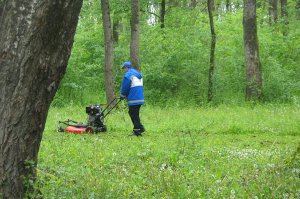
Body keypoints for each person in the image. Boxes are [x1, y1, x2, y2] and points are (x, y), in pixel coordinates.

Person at [120, 61, 145, 136]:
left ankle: (137, 131)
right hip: (140, 97)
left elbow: (125, 86)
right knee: (134, 114)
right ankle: (140, 128)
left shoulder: (128, 74)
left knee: (133, 114)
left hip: (133, 98)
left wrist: (122, 94)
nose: (124, 70)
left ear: (127, 68)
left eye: (124, 68)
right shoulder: (138, 74)